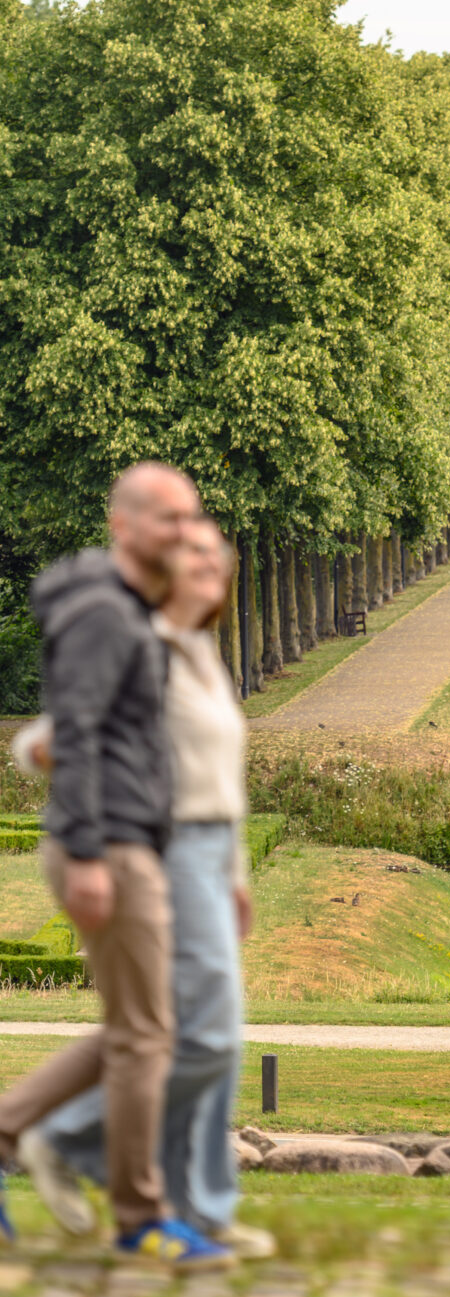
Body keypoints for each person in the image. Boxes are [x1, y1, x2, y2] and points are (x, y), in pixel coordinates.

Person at [0, 464, 230, 1271]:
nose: (184, 532)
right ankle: (142, 1217)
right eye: (169, 519)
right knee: (147, 1036)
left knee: (143, 1027)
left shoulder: (127, 610)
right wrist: (94, 854)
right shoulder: (103, 613)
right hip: (110, 847)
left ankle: (5, 1134)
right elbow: (82, 737)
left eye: (191, 518)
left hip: (134, 842)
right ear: (124, 524)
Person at [29, 520, 273, 1259]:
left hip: (208, 852)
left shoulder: (200, 651)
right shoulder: (140, 642)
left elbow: (221, 781)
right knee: (199, 1037)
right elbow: (48, 739)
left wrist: (236, 876)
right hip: (163, 849)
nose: (209, 562)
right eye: (192, 552)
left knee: (205, 1041)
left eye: (217, 555)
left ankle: (199, 1205)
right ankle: (70, 1140)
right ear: (164, 570)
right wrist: (62, 783)